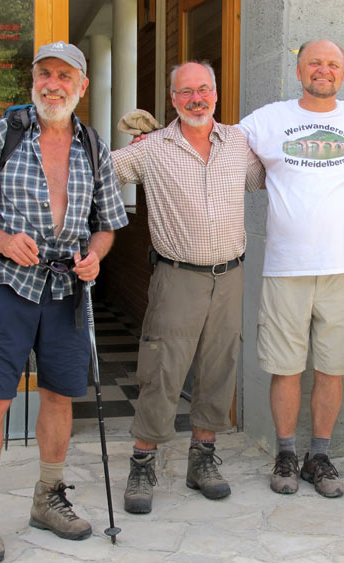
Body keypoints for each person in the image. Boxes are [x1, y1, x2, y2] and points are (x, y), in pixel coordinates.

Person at [0, 42, 128, 563]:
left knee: (59, 395)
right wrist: (2, 240)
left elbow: (107, 225)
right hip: (5, 287)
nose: (53, 83)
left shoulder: (93, 145)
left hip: (66, 290)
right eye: (44, 73)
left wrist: (95, 256)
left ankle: (48, 496)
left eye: (64, 75)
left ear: (82, 86)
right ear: (33, 80)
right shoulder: (1, 134)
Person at [111, 61, 265, 514]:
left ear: (216, 94)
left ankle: (203, 459)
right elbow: (98, 174)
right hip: (176, 275)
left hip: (230, 274)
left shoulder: (238, 142)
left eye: (204, 90)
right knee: (161, 370)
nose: (196, 99)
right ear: (172, 98)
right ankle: (143, 462)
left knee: (219, 368)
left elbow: (263, 178)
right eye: (186, 92)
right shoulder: (151, 148)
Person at [237, 39, 344, 498]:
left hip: (343, 269)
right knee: (285, 369)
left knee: (332, 369)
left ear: (343, 72)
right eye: (315, 63)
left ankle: (318, 457)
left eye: (333, 64)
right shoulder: (268, 119)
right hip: (285, 268)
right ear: (298, 68)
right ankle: (285, 452)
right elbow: (214, 145)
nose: (324, 70)